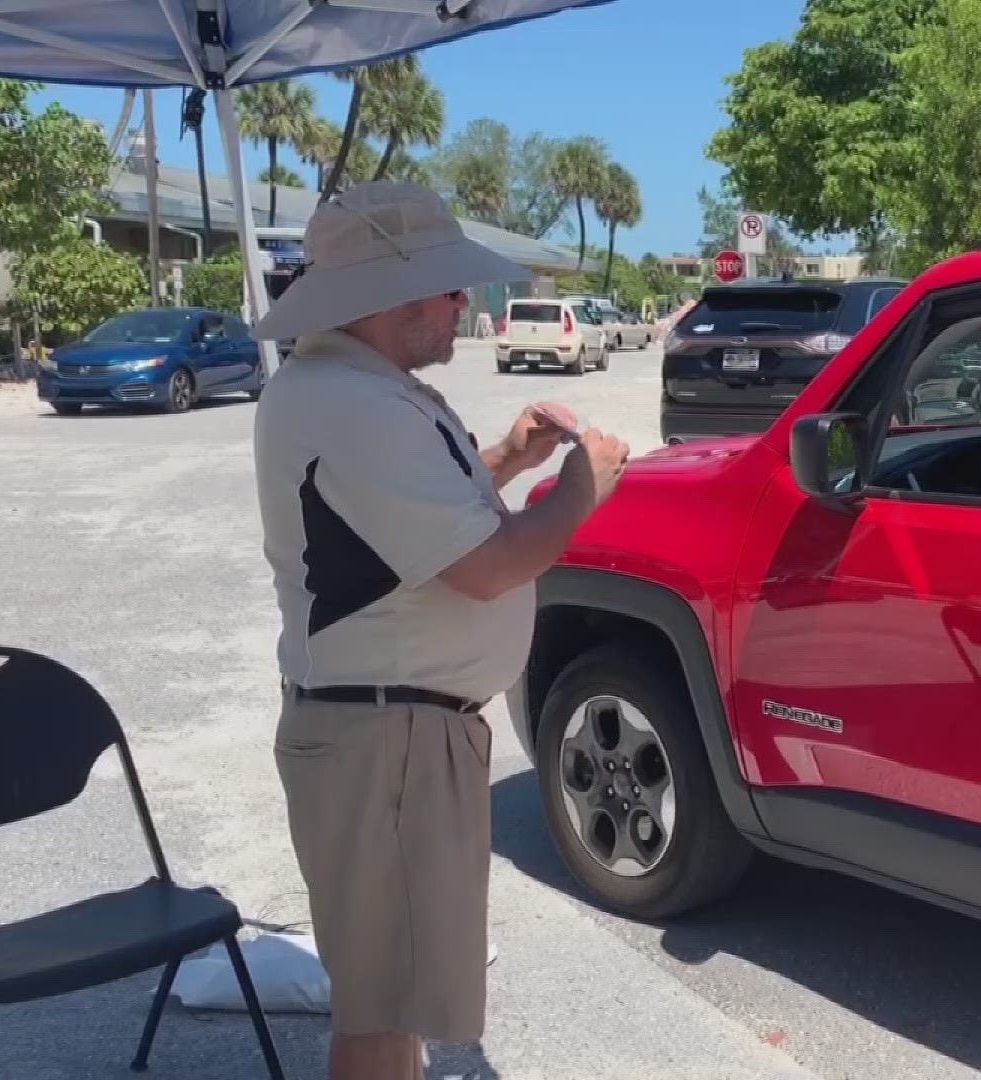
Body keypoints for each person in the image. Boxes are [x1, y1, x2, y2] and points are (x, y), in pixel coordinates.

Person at [249, 182, 628, 1080]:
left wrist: (506, 456)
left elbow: (404, 532)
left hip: (396, 735)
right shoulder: (356, 404)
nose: (467, 303)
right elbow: (488, 565)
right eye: (451, 286)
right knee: (383, 1014)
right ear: (391, 296)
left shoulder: (358, 391)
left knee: (397, 999)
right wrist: (581, 488)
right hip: (386, 743)